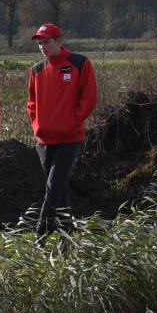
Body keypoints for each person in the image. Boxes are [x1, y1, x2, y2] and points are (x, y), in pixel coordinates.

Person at [27, 23, 98, 245]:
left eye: (46, 42)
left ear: (59, 41)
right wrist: (37, 126)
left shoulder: (79, 63)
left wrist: (72, 121)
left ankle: (40, 232)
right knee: (59, 189)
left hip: (69, 139)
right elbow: (31, 103)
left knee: (53, 187)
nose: (43, 47)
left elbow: (89, 97)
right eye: (40, 43)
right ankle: (67, 234)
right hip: (43, 141)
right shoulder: (37, 70)